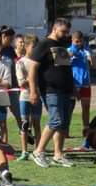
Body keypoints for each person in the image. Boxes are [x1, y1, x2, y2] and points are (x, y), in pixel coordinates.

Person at [27, 17, 76, 168]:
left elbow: (66, 69)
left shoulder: (61, 45)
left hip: (65, 90)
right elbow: (32, 68)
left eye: (67, 32)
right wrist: (33, 90)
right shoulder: (44, 44)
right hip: (50, 90)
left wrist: (73, 87)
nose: (65, 34)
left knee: (63, 124)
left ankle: (58, 154)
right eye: (63, 31)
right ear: (54, 29)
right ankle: (38, 151)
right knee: (56, 121)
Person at [14, 34, 37, 160]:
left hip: (36, 96)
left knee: (37, 123)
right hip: (24, 96)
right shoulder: (20, 62)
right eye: (33, 46)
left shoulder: (37, 62)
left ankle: (38, 150)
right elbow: (21, 82)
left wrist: (32, 81)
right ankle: (24, 152)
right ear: (27, 47)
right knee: (24, 124)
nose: (35, 49)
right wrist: (32, 79)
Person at [69, 30, 93, 130]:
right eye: (77, 41)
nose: (79, 43)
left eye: (80, 41)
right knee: (70, 108)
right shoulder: (69, 50)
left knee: (86, 107)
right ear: (72, 40)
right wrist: (72, 54)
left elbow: (93, 64)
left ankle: (86, 128)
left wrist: (91, 57)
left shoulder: (85, 50)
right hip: (74, 83)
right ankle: (65, 130)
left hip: (85, 83)